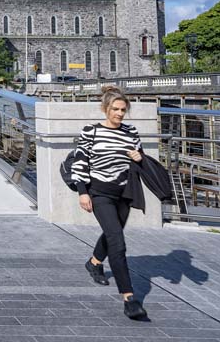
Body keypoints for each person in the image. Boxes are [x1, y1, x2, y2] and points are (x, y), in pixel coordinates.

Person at [71, 85, 148, 320]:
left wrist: (138, 156)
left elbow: (138, 159)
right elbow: (80, 161)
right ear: (106, 109)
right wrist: (82, 192)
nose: (120, 114)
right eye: (115, 109)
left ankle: (94, 262)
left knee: (112, 233)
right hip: (99, 192)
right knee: (118, 241)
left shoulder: (131, 132)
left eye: (123, 110)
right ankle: (129, 299)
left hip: (124, 192)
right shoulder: (91, 131)